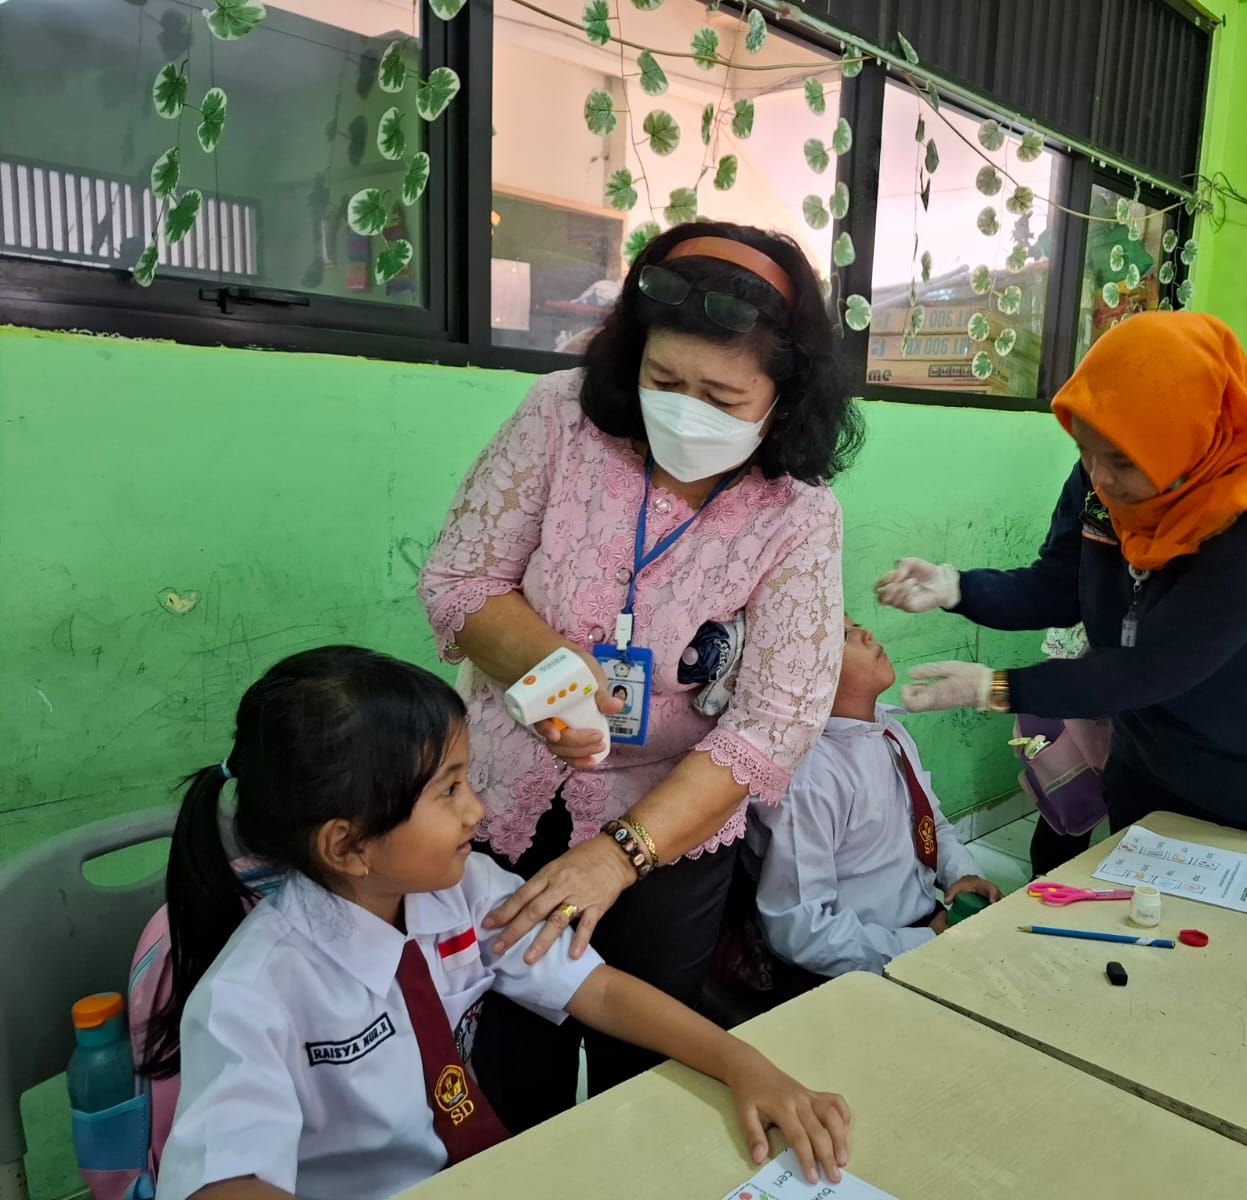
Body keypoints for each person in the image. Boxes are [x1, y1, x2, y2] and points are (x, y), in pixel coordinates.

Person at [417, 221, 862, 1126]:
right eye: (664, 381)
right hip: (507, 793)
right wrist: (551, 675)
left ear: (785, 398)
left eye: (723, 396)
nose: (686, 411)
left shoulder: (798, 515)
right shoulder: (560, 417)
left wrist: (620, 855)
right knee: (510, 1056)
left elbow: (775, 721)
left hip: (671, 826)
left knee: (649, 1072)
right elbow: (460, 580)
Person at [150, 647, 850, 1200]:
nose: (477, 810)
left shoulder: (466, 892)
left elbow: (601, 992)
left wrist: (742, 1063)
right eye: (449, 790)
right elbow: (224, 1184)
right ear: (348, 845)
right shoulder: (250, 997)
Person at [875, 313, 1247, 874]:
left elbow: (1158, 665)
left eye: (1122, 461)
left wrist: (996, 687)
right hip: (1154, 763)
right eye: (1085, 450)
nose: (1100, 477)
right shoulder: (1100, 485)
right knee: (1136, 918)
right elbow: (1061, 587)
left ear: (1187, 439)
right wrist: (959, 587)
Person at [748, 620, 1000, 990]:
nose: (867, 635)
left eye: (858, 626)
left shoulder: (888, 730)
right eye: (844, 636)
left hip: (923, 925)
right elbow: (800, 927)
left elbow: (930, 823)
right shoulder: (808, 779)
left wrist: (962, 874)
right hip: (855, 961)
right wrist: (922, 944)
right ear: (803, 672)